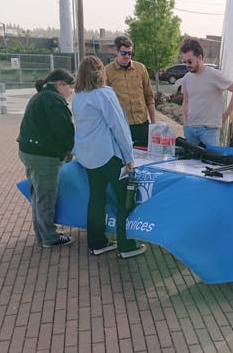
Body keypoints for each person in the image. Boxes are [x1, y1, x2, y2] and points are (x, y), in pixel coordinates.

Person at [72, 55, 146, 259]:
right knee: (125, 199)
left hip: (88, 158)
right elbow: (119, 127)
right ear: (100, 72)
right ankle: (126, 245)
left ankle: (97, 243)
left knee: (96, 198)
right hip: (109, 157)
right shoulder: (105, 94)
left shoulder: (78, 97)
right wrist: (129, 156)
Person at [17, 68, 76, 248]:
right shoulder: (53, 100)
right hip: (43, 155)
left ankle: (42, 234)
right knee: (47, 195)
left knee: (38, 194)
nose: (71, 91)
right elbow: (64, 131)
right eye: (70, 87)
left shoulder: (42, 96)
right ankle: (50, 236)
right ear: (59, 84)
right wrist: (69, 150)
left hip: (29, 150)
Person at [180, 38, 233, 146]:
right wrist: (185, 124)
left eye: (190, 61)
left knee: (210, 162)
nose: (187, 65)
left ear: (200, 57)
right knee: (190, 162)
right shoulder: (186, 78)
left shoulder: (214, 74)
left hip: (209, 131)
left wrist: (226, 114)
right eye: (184, 62)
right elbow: (186, 101)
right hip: (190, 130)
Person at [105, 36, 156, 147]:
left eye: (130, 53)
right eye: (124, 53)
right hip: (121, 126)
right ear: (116, 51)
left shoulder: (141, 69)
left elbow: (149, 97)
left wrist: (154, 124)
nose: (127, 56)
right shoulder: (107, 72)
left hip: (142, 125)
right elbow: (104, 102)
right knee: (124, 161)